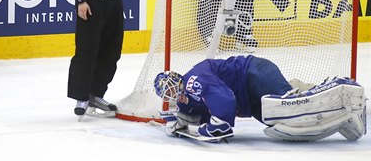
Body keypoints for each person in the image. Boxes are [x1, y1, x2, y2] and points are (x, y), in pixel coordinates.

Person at [154, 56, 367, 142]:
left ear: (176, 77)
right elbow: (198, 116)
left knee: (288, 108)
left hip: (251, 74)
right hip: (249, 98)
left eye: (169, 85)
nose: (170, 92)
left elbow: (225, 101)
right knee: (285, 122)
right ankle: (342, 115)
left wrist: (217, 126)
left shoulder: (192, 80)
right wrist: (178, 123)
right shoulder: (185, 99)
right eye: (165, 92)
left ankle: (339, 85)